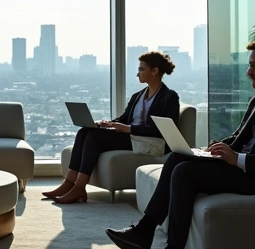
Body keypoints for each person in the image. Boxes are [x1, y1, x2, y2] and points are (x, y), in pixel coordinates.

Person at [106, 36, 255, 249]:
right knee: (178, 157)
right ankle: (144, 232)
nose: (249, 72)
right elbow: (239, 138)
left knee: (184, 172)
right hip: (246, 167)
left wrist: (236, 159)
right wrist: (213, 150)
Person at [44, 51, 180, 204]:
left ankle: (79, 187)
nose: (138, 74)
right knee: (84, 131)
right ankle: (69, 183)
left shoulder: (169, 97)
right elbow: (124, 118)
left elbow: (163, 130)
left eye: (141, 69)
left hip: (150, 141)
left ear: (154, 71)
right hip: (132, 137)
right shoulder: (138, 96)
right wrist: (108, 124)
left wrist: (129, 129)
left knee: (94, 137)